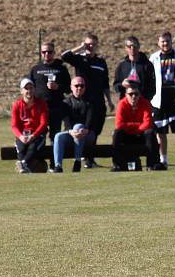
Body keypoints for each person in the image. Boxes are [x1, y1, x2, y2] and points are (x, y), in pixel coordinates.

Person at [61, 33, 114, 167]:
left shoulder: (101, 62)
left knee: (95, 131)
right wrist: (80, 47)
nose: (90, 46)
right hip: (84, 102)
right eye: (88, 44)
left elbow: (105, 83)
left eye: (93, 44)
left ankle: (89, 158)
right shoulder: (79, 59)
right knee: (84, 129)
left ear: (97, 45)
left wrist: (109, 100)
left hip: (98, 102)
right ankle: (84, 157)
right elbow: (64, 56)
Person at [149, 31, 175, 170]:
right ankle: (163, 160)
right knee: (160, 133)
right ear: (158, 43)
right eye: (162, 41)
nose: (165, 44)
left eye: (167, 41)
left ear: (171, 42)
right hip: (159, 101)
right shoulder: (154, 58)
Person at [50, 76, 96, 173]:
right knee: (58, 136)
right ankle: (58, 166)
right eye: (76, 86)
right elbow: (66, 121)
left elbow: (90, 120)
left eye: (82, 86)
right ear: (71, 87)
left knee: (78, 126)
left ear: (85, 87)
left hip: (87, 135)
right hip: (71, 133)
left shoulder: (90, 102)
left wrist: (86, 129)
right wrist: (71, 131)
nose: (79, 88)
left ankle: (77, 161)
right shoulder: (66, 103)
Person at [28, 41, 71, 143]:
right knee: (39, 134)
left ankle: (54, 158)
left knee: (55, 135)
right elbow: (29, 87)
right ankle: (39, 158)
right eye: (44, 52)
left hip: (56, 107)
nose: (47, 54)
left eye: (49, 52)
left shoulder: (61, 68)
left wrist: (58, 87)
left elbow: (69, 88)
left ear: (54, 53)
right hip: (39, 107)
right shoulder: (35, 69)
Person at [112, 82, 161, 171]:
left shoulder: (145, 103)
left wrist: (130, 127)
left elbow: (148, 124)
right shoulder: (121, 104)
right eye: (131, 94)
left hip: (141, 136)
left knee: (150, 133)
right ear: (126, 95)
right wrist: (137, 126)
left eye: (136, 94)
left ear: (139, 95)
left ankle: (151, 164)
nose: (133, 96)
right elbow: (119, 124)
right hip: (127, 136)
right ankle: (117, 164)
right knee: (117, 133)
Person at [11, 78, 49, 173]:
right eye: (26, 89)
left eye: (31, 88)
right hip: (23, 134)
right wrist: (21, 136)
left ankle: (22, 164)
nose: (29, 91)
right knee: (21, 147)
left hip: (37, 134)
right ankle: (24, 166)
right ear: (21, 91)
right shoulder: (17, 105)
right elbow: (14, 125)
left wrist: (34, 135)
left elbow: (43, 123)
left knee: (33, 147)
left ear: (34, 89)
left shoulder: (41, 104)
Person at [113, 35, 155, 101]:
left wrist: (146, 99)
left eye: (134, 46)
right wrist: (122, 84)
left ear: (138, 46)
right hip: (126, 103)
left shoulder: (147, 65)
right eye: (129, 46)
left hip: (143, 103)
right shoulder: (122, 66)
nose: (132, 48)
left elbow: (153, 86)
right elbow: (116, 86)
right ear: (126, 48)